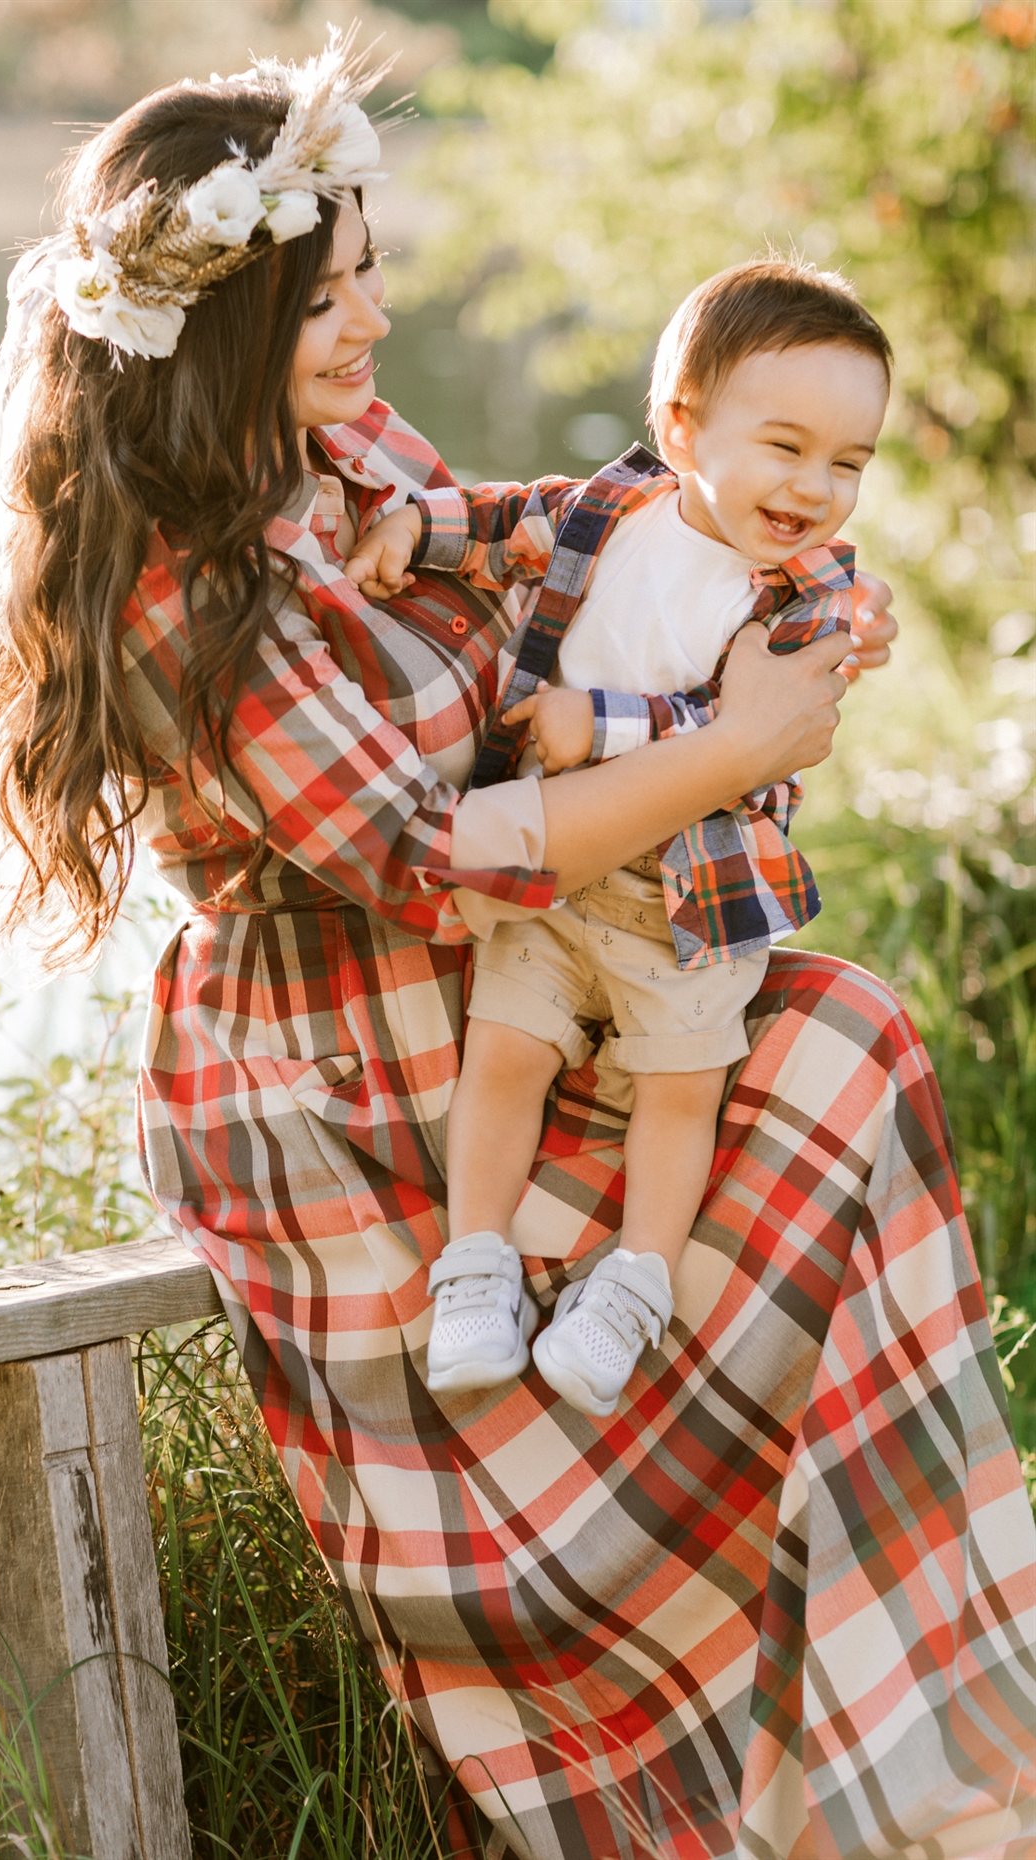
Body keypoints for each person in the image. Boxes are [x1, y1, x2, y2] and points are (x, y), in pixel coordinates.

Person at [0, 38, 1035, 1860]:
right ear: (225, 325)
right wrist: (731, 750)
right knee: (563, 1528)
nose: (380, 317)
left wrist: (751, 584)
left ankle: (923, 1755)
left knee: (842, 1043)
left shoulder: (337, 453)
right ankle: (706, 1792)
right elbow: (424, 861)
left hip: (517, 983)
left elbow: (550, 554)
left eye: (373, 268)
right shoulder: (175, 585)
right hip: (334, 1061)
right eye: (337, 291)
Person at [343, 261, 893, 1418]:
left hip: (691, 899)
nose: (814, 487)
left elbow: (746, 730)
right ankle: (477, 1265)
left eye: (848, 463)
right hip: (562, 878)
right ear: (682, 426)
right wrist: (413, 524)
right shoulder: (613, 510)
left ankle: (635, 1282)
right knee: (503, 1053)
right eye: (784, 446)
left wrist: (599, 723)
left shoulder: (802, 595)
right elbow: (507, 515)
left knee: (676, 1090)